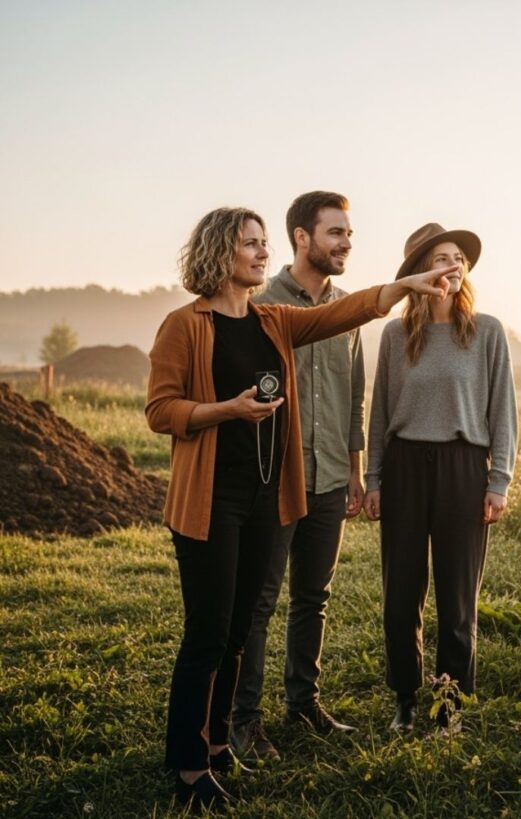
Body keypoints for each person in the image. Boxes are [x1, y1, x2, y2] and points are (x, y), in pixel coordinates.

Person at [146, 207, 453, 811]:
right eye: (250, 245)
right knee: (207, 635)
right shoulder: (185, 326)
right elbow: (161, 412)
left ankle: (214, 752)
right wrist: (225, 410)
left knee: (236, 634)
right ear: (219, 253)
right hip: (211, 499)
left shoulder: (274, 321)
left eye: (264, 244)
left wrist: (406, 287)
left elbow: (346, 310)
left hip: (266, 498)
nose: (262, 255)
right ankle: (186, 767)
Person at [363, 222, 518, 734]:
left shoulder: (487, 331)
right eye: (440, 258)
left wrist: (498, 481)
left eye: (458, 258)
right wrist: (375, 477)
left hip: (462, 469)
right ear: (419, 273)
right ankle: (406, 698)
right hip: (406, 467)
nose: (451, 266)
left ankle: (451, 703)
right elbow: (380, 409)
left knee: (457, 596)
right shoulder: (394, 334)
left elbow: (503, 414)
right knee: (401, 590)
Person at [231, 191, 365, 762]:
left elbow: (354, 395)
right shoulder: (260, 303)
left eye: (348, 234)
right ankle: (243, 721)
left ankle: (303, 702)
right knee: (259, 601)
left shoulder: (350, 310)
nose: (346, 244)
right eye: (335, 233)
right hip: (274, 478)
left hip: (332, 475)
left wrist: (356, 473)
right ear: (302, 238)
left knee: (315, 596)